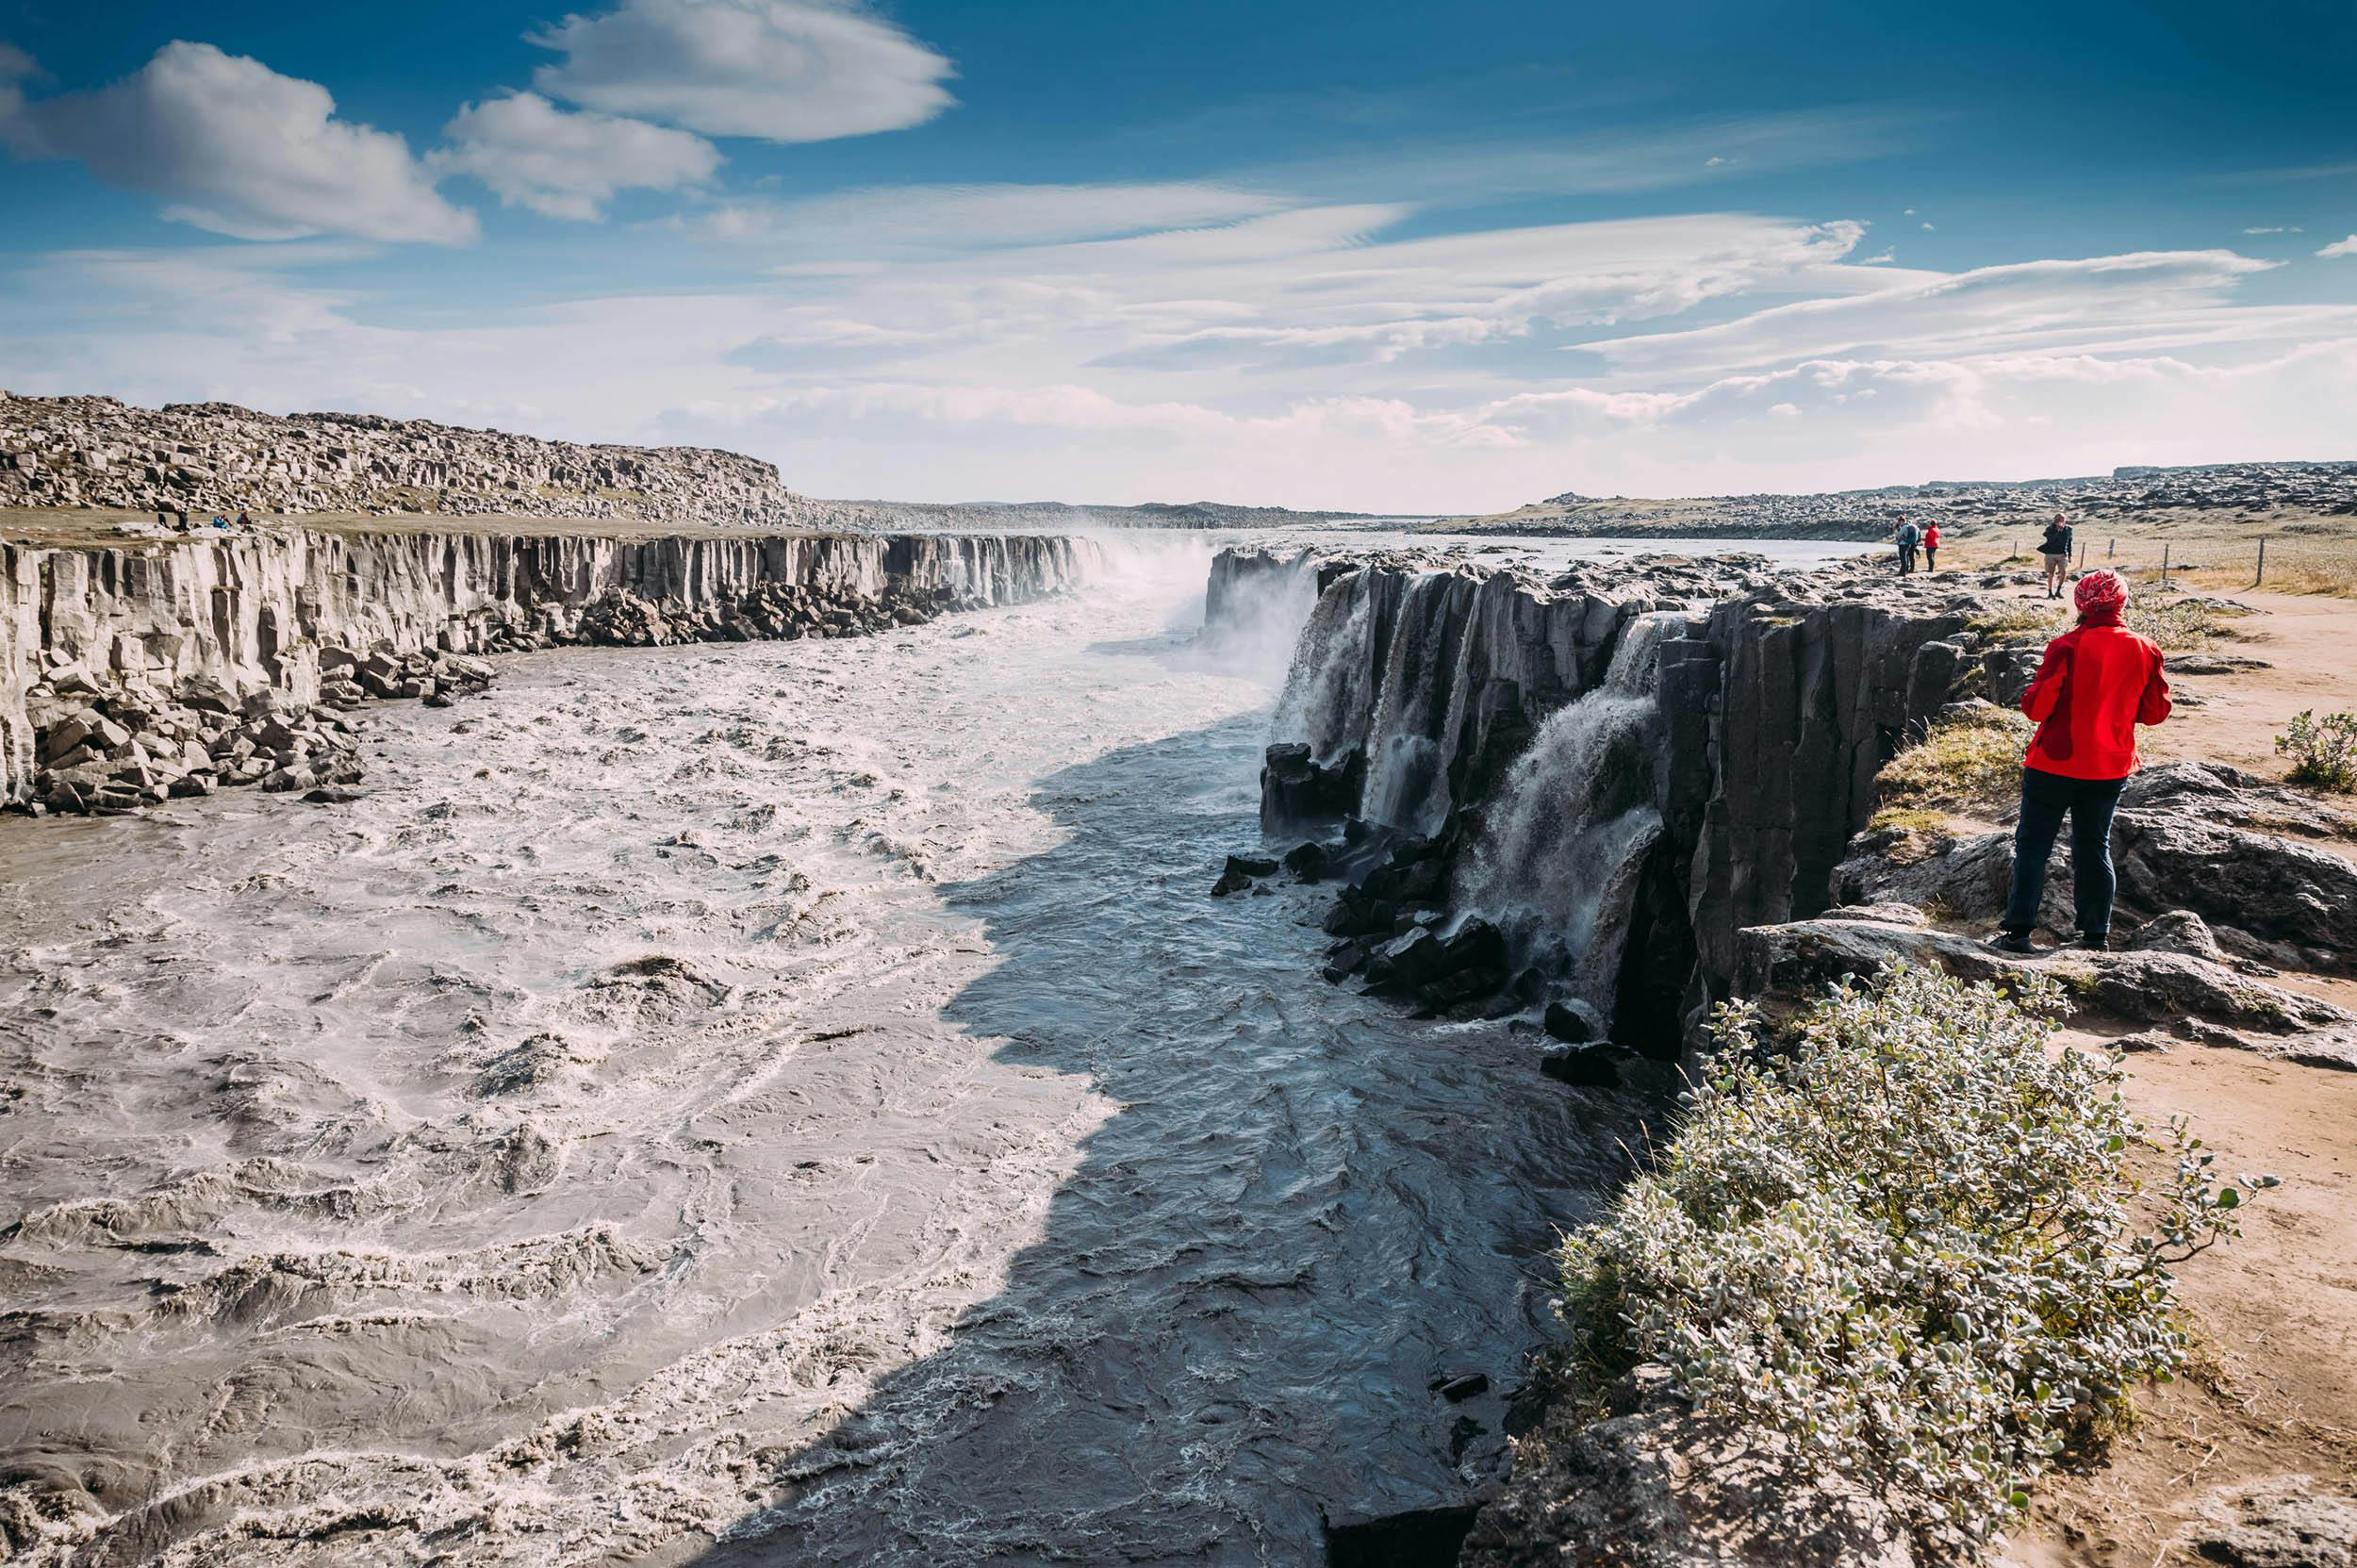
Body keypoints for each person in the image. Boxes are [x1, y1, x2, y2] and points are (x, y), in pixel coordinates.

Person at [1993, 569, 2170, 954]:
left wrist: (2033, 693)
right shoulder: (2145, 647)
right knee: (2094, 847)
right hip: (2110, 766)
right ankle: (2095, 936)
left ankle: (2019, 932)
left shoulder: (2067, 646)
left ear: (2081, 603)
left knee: (2033, 847)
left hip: (2055, 762)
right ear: (2122, 602)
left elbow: (2037, 708)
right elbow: (2155, 712)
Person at [2037, 514, 2072, 599]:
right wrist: (2057, 530)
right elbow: (2050, 539)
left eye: (2063, 519)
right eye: (2059, 519)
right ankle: (2050, 592)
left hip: (2062, 554)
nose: (2061, 520)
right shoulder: (2050, 528)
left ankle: (2058, 591)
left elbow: (2069, 542)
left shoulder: (2068, 529)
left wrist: (2070, 555)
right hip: (2050, 554)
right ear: (2056, 520)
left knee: (2063, 572)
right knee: (2051, 573)